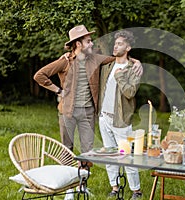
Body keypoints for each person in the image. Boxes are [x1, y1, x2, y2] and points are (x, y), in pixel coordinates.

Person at [33, 25, 142, 154]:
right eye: (88, 41)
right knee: (66, 149)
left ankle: (83, 174)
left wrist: (136, 61)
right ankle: (69, 173)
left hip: (88, 112)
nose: (92, 44)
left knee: (88, 151)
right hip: (67, 111)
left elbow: (118, 57)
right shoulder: (66, 61)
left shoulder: (95, 59)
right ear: (78, 44)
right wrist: (58, 91)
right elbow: (39, 76)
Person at [98, 30, 142, 199]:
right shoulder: (108, 66)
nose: (116, 46)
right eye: (115, 43)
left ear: (128, 47)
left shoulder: (133, 70)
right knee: (110, 155)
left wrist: (120, 77)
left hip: (122, 120)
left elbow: (130, 92)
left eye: (120, 44)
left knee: (127, 157)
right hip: (104, 117)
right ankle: (114, 187)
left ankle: (136, 191)